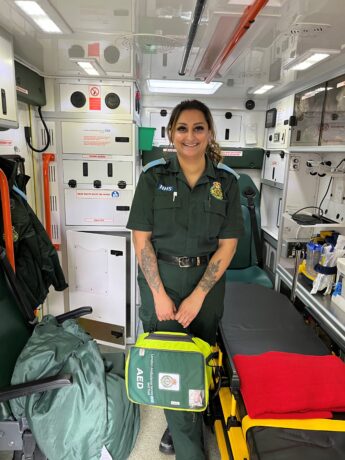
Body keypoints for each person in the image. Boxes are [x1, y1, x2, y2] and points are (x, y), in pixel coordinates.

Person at [126, 99, 244, 460]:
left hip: (206, 289)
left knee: (200, 360)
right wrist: (160, 295)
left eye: (197, 128)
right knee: (170, 363)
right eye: (182, 128)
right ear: (170, 134)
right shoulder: (153, 178)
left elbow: (228, 246)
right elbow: (141, 241)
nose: (189, 136)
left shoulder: (227, 182)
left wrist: (197, 297)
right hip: (160, 284)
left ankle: (187, 416)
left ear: (209, 133)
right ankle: (190, 449)